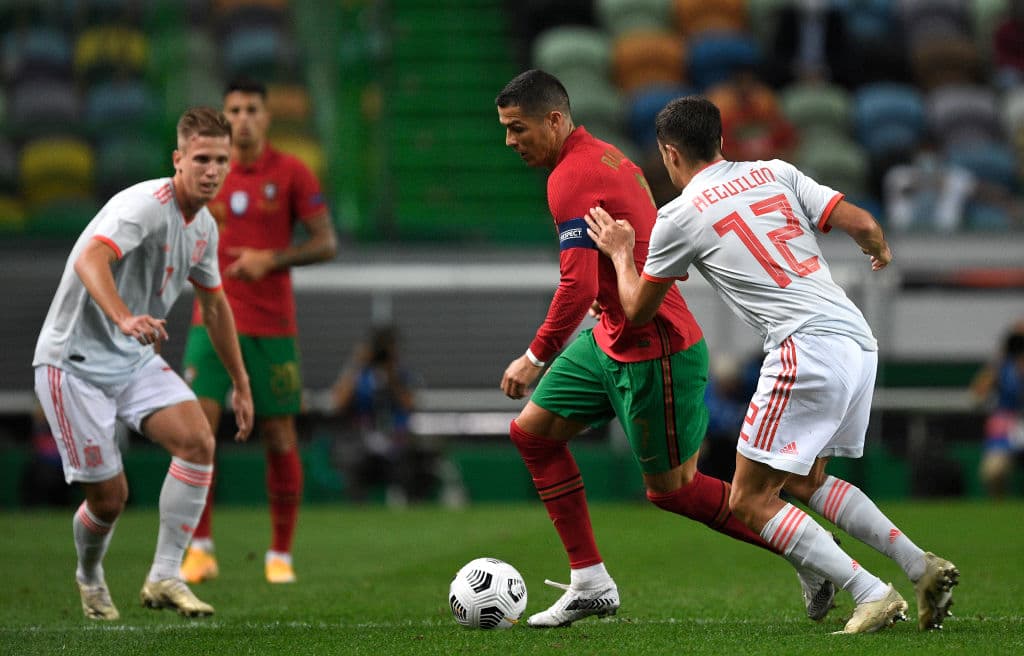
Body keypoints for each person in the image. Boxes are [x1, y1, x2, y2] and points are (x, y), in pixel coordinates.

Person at [584, 95, 960, 634]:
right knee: (806, 479)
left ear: (669, 154)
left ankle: (872, 593)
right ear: (721, 140)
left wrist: (621, 253)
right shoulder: (775, 171)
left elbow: (638, 311)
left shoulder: (680, 214)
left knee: (749, 500)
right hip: (856, 341)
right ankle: (921, 568)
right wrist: (878, 248)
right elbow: (861, 222)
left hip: (804, 348)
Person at [494, 69, 833, 629]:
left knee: (674, 492)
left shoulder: (571, 177)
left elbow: (576, 286)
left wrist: (534, 358)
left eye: (517, 128)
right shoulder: (604, 156)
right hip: (610, 337)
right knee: (532, 434)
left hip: (656, 347)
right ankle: (590, 582)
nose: (510, 141)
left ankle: (809, 554)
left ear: (554, 120)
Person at [31, 107, 254, 620]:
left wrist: (240, 382)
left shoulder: (204, 229)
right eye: (201, 159)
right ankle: (89, 576)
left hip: (129, 357)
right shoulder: (143, 207)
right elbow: (91, 259)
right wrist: (126, 318)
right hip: (74, 361)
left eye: (221, 160)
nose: (212, 171)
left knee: (198, 440)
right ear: (178, 159)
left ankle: (165, 575)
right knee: (110, 500)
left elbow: (216, 306)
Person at [180, 78, 338, 585]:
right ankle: (200, 547)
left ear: (267, 117)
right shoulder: (207, 172)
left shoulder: (292, 172)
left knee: (278, 434)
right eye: (234, 110)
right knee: (197, 430)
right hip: (212, 318)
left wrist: (273, 258)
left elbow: (326, 243)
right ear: (223, 119)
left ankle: (280, 555)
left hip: (273, 326)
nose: (243, 117)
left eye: (252, 109)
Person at [328, 325, 421, 505]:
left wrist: (391, 376)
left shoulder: (401, 375)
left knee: (410, 466)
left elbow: (410, 404)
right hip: (363, 444)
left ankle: (408, 506)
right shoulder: (360, 375)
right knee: (350, 464)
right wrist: (357, 363)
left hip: (396, 444)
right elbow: (338, 403)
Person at [971, 320, 1024, 498]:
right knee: (993, 471)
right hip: (1006, 426)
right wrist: (997, 363)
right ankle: (998, 507)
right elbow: (977, 393)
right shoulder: (1002, 366)